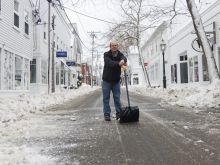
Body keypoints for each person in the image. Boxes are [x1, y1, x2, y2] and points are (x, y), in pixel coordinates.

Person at [102, 40, 127, 121]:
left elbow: (124, 58)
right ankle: (107, 114)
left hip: (116, 81)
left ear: (117, 46)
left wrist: (123, 60)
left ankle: (119, 113)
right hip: (106, 81)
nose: (114, 46)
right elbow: (109, 63)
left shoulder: (120, 54)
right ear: (110, 46)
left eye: (116, 45)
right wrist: (118, 63)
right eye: (113, 45)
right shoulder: (106, 54)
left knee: (117, 97)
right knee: (106, 98)